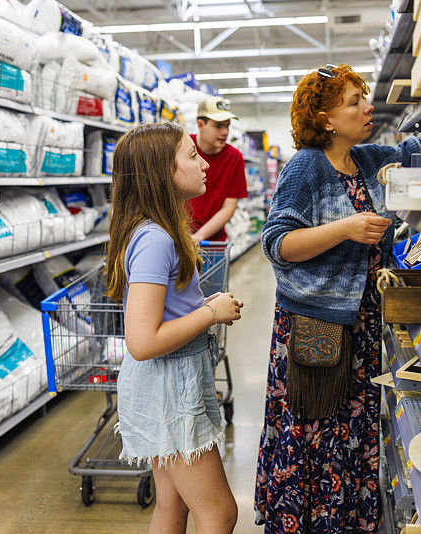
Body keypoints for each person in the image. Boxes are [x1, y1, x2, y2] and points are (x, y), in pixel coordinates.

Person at [254, 64, 421, 533]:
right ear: (326, 118)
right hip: (316, 328)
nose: (367, 107)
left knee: (352, 433)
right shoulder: (305, 168)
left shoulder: (369, 160)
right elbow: (277, 244)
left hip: (364, 323)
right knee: (317, 428)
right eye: (354, 101)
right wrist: (345, 229)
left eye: (364, 97)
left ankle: (346, 521)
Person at [104, 122, 243, 534]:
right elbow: (143, 341)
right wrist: (211, 312)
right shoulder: (155, 240)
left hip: (167, 380)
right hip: (169, 384)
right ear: (163, 172)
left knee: (172, 504)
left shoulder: (154, 231)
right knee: (219, 512)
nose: (204, 165)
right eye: (191, 155)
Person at [188, 96, 248, 243]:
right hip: (179, 236)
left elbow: (229, 207)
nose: (225, 132)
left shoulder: (234, 158)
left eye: (227, 126)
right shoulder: (183, 148)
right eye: (218, 126)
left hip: (212, 242)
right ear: (201, 125)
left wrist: (198, 237)